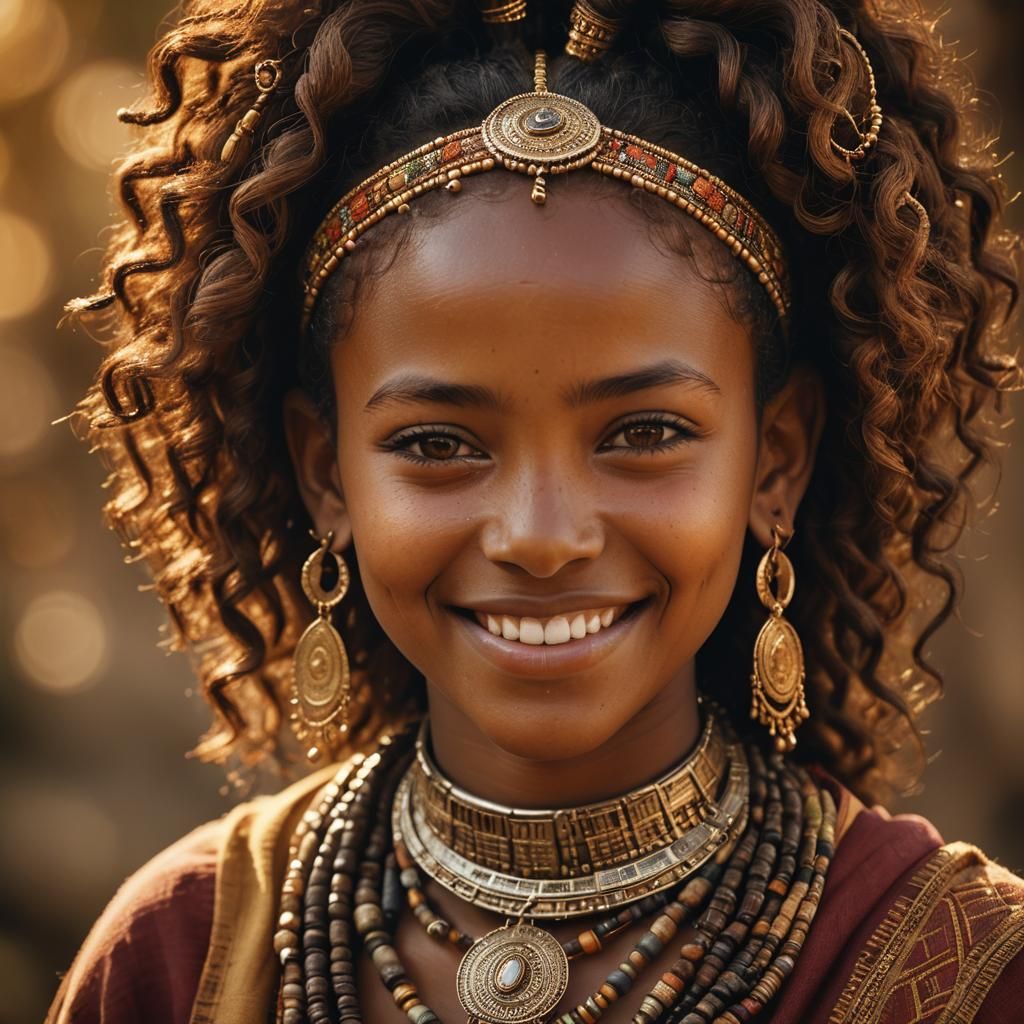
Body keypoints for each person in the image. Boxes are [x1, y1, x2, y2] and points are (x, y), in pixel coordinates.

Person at [44, 0, 1024, 1022]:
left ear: (774, 459)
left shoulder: (969, 973)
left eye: (644, 433)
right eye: (438, 445)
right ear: (326, 474)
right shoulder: (178, 958)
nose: (542, 537)